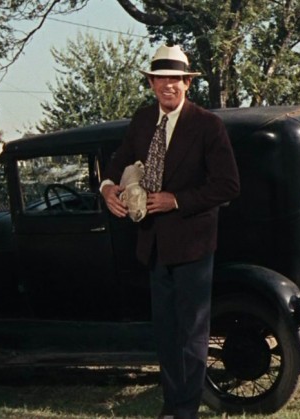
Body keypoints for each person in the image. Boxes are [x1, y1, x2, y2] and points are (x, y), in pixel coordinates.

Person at [101, 44, 240, 419]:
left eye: (176, 79)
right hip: (153, 245)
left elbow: (228, 186)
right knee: (165, 332)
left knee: (191, 334)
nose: (169, 86)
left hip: (193, 245)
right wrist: (107, 188)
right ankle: (172, 403)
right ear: (151, 83)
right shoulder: (143, 120)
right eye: (161, 78)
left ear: (187, 84)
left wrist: (175, 200)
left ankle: (185, 410)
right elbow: (118, 159)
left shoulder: (208, 125)